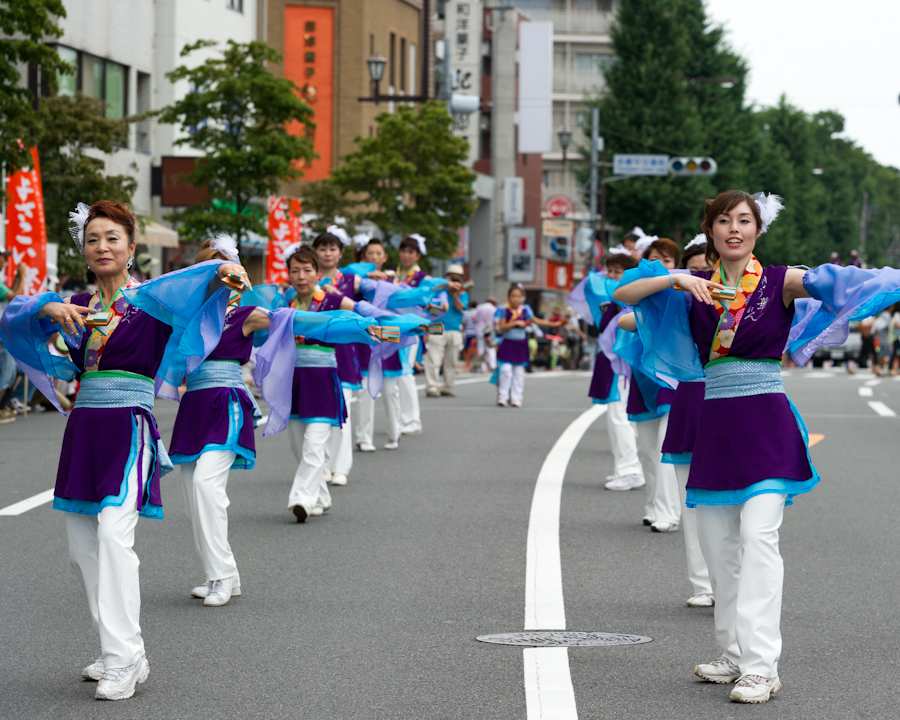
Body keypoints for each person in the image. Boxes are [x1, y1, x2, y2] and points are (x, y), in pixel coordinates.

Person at [612, 189, 899, 703]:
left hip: (766, 422)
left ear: (758, 230)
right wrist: (677, 276)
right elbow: (624, 298)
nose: (735, 229)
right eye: (724, 221)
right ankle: (734, 652)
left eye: (744, 221)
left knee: (760, 538)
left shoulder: (781, 279)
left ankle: (762, 666)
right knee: (719, 550)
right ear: (711, 230)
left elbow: (847, 283)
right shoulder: (691, 288)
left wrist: (858, 283)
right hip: (716, 426)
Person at [0, 200, 247, 701]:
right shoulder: (75, 305)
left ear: (132, 248)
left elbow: (199, 280)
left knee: (114, 538)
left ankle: (122, 657)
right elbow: (11, 315)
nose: (102, 247)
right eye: (93, 239)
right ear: (85, 252)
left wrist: (225, 270)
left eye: (113, 237)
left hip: (130, 429)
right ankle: (121, 649)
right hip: (84, 431)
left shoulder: (154, 301)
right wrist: (44, 307)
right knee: (81, 550)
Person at [167, 235, 265, 608]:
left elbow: (291, 321)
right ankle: (221, 574)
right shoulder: (188, 320)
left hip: (226, 402)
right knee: (193, 494)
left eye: (225, 273)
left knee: (207, 486)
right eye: (212, 272)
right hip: (193, 405)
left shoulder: (246, 314)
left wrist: (351, 326)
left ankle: (222, 576)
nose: (219, 280)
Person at [659, 233, 714, 606]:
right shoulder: (680, 301)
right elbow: (628, 308)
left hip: (735, 402)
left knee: (735, 506)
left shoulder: (747, 296)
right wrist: (674, 281)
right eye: (693, 271)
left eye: (707, 270)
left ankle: (733, 583)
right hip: (691, 399)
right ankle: (703, 586)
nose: (701, 278)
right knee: (690, 503)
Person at [574, 250, 644, 491]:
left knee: (620, 416)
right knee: (618, 417)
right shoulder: (612, 298)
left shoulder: (630, 299)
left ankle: (630, 470)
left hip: (622, 364)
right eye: (610, 271)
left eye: (618, 271)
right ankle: (625, 469)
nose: (612, 276)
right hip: (612, 362)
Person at [387, 234, 431, 435]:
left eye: (411, 252)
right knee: (394, 375)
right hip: (389, 328)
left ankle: (412, 420)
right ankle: (400, 418)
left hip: (411, 330)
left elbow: (431, 303)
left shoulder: (423, 279)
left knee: (405, 372)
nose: (406, 255)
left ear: (418, 256)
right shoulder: (389, 276)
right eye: (404, 251)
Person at [495, 283, 563, 407]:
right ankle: (502, 396)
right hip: (507, 343)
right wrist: (517, 323)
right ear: (509, 297)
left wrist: (555, 324)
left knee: (519, 372)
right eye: (513, 296)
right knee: (505, 370)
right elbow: (502, 326)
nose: (516, 299)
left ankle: (517, 397)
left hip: (520, 344)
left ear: (522, 298)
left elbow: (537, 321)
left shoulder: (526, 310)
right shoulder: (504, 310)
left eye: (518, 296)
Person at [424, 264, 468, 397]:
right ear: (446, 277)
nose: (455, 281)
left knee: (452, 361)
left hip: (455, 329)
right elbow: (429, 305)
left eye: (458, 279)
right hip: (437, 327)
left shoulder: (463, 293)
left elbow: (460, 307)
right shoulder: (438, 291)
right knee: (434, 359)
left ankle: (447, 387)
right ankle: (431, 387)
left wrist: (455, 294)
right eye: (452, 278)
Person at [474, 296, 498, 373]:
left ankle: (482, 367)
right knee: (491, 348)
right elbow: (496, 321)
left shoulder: (479, 307)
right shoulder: (493, 309)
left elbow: (473, 318)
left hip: (479, 329)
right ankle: (492, 365)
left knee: (480, 348)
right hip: (489, 330)